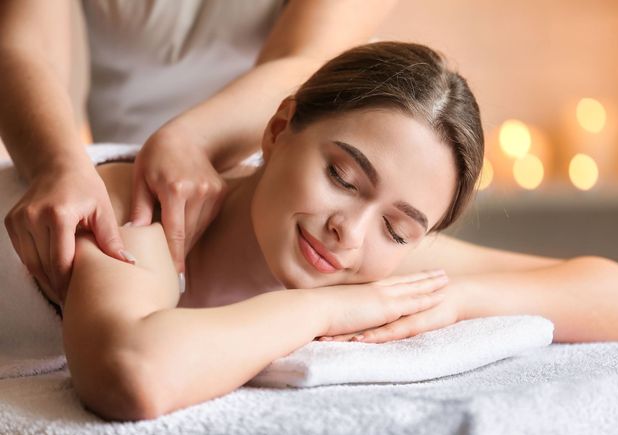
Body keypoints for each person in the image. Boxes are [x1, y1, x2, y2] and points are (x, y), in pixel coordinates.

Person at [5, 42, 618, 422]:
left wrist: (457, 300)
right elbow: (133, 374)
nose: (348, 232)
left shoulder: (378, 259)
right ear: (276, 132)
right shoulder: (146, 211)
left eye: (397, 227)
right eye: (343, 178)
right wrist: (327, 307)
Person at [0, 0, 397, 308]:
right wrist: (58, 165)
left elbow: (309, 60)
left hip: (258, 169)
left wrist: (192, 140)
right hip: (104, 178)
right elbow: (25, 44)